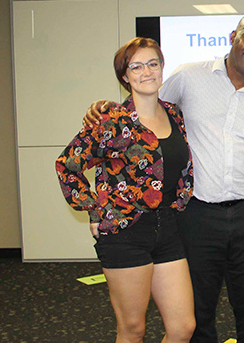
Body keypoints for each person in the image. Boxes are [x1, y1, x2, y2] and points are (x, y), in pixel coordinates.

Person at [83, 15, 244, 343]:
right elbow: (148, 105)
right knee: (197, 309)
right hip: (196, 213)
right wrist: (110, 111)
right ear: (234, 36)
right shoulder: (190, 76)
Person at [55, 37, 195, 343]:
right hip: (125, 232)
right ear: (124, 76)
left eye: (153, 63)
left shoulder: (175, 114)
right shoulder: (111, 121)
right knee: (133, 330)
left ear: (162, 68)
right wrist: (93, 207)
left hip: (169, 227)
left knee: (183, 328)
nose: (146, 71)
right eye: (137, 66)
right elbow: (68, 164)